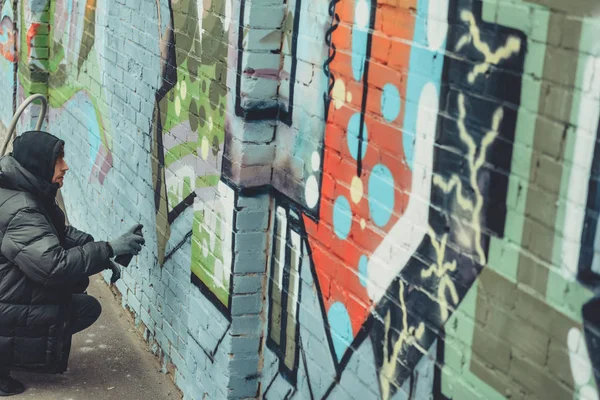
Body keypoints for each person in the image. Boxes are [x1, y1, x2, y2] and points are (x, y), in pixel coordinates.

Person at [0, 131, 145, 396]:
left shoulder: (25, 188)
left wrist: (102, 252)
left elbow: (57, 232)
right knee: (73, 308)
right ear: (38, 162)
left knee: (79, 301)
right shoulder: (21, 209)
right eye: (58, 159)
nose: (65, 166)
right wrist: (108, 249)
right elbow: (53, 267)